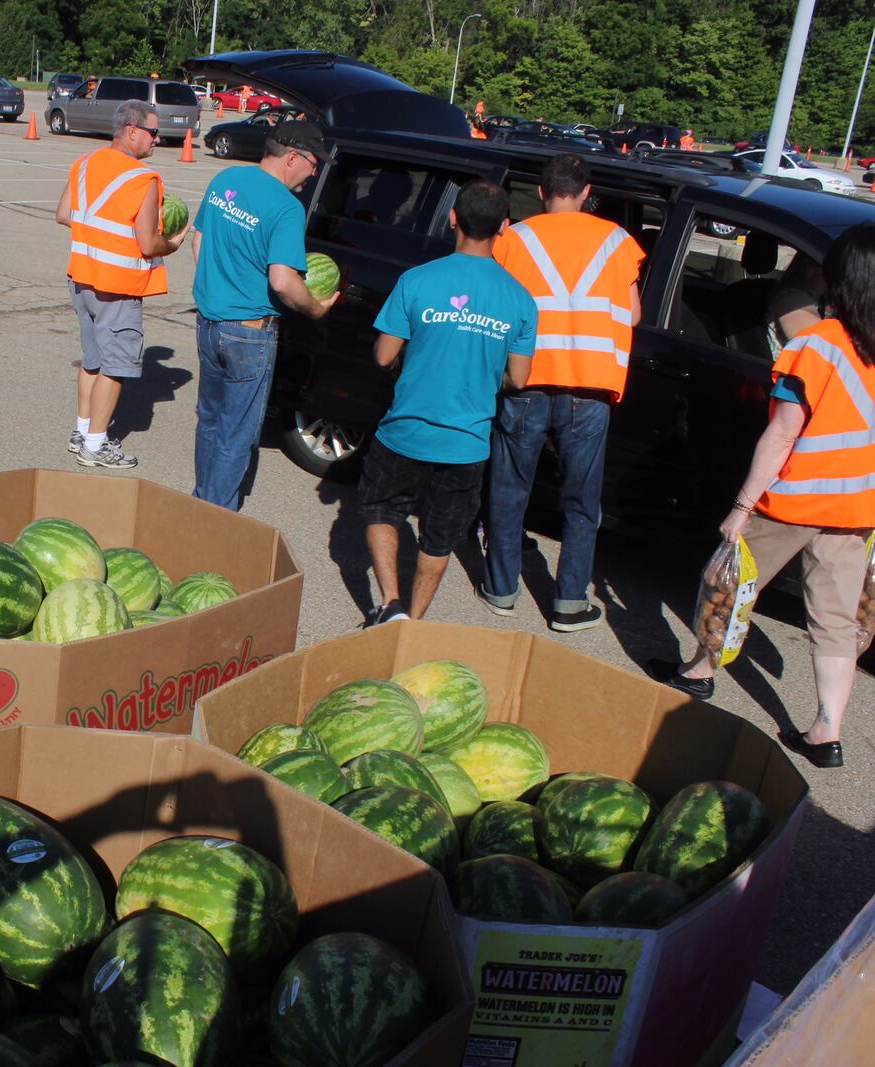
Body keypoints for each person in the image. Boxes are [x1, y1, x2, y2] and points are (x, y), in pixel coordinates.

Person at [654, 224, 875, 770]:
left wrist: (741, 507)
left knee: (731, 588)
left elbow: (781, 435)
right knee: (835, 619)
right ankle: (826, 733)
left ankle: (700, 674)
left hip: (793, 501)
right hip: (856, 509)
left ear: (841, 279)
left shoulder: (816, 346)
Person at [360, 179, 537, 625]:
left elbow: (383, 356)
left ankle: (390, 603)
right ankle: (414, 621)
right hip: (468, 443)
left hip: (405, 429)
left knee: (382, 507)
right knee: (437, 537)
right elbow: (518, 377)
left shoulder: (416, 280)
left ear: (453, 218)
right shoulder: (520, 300)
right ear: (505, 227)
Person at [480, 153, 644, 632]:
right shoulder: (618, 241)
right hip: (590, 388)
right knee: (580, 501)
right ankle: (570, 602)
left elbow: (497, 303)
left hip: (527, 381)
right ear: (587, 192)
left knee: (510, 490)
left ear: (543, 191)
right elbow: (631, 315)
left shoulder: (516, 238)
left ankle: (501, 590)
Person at [189, 118, 339, 509]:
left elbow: (199, 242)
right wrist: (316, 309)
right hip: (250, 333)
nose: (314, 171)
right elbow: (283, 281)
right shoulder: (287, 208)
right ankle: (215, 516)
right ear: (293, 157)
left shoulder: (226, 180)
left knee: (210, 421)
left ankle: (200, 501)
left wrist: (220, 284)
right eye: (313, 162)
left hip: (209, 324)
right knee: (235, 433)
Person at [53, 99, 187, 469]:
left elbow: (64, 214)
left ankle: (82, 430)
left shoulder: (83, 164)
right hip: (118, 285)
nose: (158, 140)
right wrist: (172, 244)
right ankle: (95, 446)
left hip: (81, 277)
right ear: (132, 131)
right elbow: (148, 243)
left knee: (91, 361)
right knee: (115, 367)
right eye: (153, 132)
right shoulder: (144, 180)